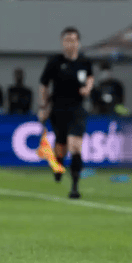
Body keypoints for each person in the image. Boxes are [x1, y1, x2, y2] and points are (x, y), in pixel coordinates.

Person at [38, 27, 94, 199]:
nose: (70, 43)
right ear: (62, 43)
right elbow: (44, 85)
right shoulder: (55, 62)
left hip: (77, 109)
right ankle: (59, 163)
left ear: (78, 43)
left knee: (75, 145)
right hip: (58, 109)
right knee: (61, 146)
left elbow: (90, 77)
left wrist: (88, 88)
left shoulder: (84, 62)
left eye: (73, 40)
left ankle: (75, 187)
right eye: (67, 40)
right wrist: (43, 106)